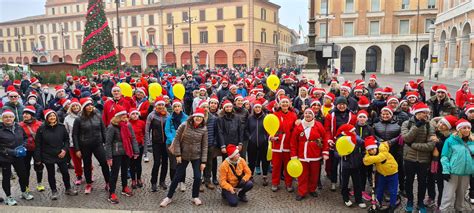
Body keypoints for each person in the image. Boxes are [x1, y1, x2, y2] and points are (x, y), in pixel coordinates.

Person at [160, 108, 208, 207]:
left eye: (201, 117)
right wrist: (178, 155)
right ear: (193, 117)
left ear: (203, 119)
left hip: (196, 156)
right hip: (183, 155)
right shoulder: (184, 125)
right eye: (197, 116)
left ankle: (195, 196)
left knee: (198, 177)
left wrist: (203, 161)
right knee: (177, 176)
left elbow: (205, 146)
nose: (198, 118)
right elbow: (176, 140)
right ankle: (168, 197)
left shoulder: (204, 129)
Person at [34, 109, 78, 200]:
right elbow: (38, 144)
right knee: (51, 174)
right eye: (50, 116)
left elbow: (66, 140)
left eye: (54, 116)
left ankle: (68, 188)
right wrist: (38, 158)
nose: (52, 117)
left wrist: (64, 150)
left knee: (65, 172)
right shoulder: (41, 129)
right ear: (47, 118)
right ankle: (54, 191)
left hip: (60, 153)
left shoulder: (61, 127)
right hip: (47, 155)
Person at [401, 102, 435, 212]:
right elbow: (406, 138)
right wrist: (418, 125)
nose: (426, 115)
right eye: (423, 112)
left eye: (427, 113)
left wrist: (413, 145)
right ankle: (410, 200)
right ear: (417, 113)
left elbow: (430, 145)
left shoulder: (430, 125)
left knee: (422, 182)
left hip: (424, 159)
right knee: (409, 181)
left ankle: (420, 202)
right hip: (409, 158)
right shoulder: (407, 123)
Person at [72, 98, 111, 194]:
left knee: (104, 163)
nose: (90, 107)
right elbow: (75, 135)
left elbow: (104, 130)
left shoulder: (98, 116)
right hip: (85, 145)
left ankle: (108, 182)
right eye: (87, 105)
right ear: (84, 107)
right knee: (87, 165)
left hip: (98, 144)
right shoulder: (78, 119)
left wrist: (106, 143)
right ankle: (89, 183)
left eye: (91, 105)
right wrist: (77, 149)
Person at [290, 108, 329, 200]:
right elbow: (293, 142)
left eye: (310, 113)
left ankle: (312, 189)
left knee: (314, 174)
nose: (308, 115)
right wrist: (294, 155)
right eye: (306, 113)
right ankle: (302, 191)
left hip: (315, 154)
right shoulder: (299, 126)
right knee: (302, 174)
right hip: (302, 154)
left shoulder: (318, 125)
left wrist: (325, 151)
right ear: (304, 114)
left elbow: (325, 138)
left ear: (313, 115)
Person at [105, 105, 139, 204]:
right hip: (116, 153)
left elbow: (132, 138)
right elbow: (108, 143)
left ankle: (125, 188)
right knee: (114, 173)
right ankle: (111, 193)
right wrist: (109, 157)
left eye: (126, 116)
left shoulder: (127, 125)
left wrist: (136, 150)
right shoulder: (112, 127)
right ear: (118, 117)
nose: (126, 118)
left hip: (126, 151)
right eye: (123, 117)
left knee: (125, 171)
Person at [439, 119, 474, 212]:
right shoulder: (450, 140)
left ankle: (459, 209)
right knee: (448, 195)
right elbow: (445, 156)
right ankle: (443, 210)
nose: (467, 130)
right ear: (459, 129)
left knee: (461, 195)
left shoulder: (472, 140)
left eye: (468, 128)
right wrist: (446, 170)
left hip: (466, 173)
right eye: (464, 128)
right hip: (452, 172)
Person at [0, 110, 32, 205]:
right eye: (6, 117)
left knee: (23, 175)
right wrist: (10, 152)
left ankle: (24, 192)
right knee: (6, 177)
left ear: (14, 118)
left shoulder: (19, 127)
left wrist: (24, 147)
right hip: (5, 157)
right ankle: (8, 197)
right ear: (2, 118)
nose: (8, 119)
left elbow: (25, 138)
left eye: (10, 117)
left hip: (19, 156)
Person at [363, 136, 398, 212]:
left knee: (392, 191)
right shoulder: (370, 152)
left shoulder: (383, 149)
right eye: (369, 150)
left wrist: (370, 158)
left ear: (375, 147)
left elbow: (379, 158)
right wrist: (369, 158)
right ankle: (378, 203)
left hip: (392, 173)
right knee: (379, 189)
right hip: (382, 174)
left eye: (372, 149)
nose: (371, 152)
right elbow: (365, 162)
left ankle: (392, 206)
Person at [270, 95, 297, 192]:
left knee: (287, 165)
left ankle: (288, 183)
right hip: (277, 143)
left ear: (289, 104)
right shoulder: (275, 114)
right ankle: (275, 182)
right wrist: (271, 135)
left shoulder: (293, 115)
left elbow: (295, 129)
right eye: (283, 102)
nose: (285, 104)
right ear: (280, 104)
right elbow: (271, 127)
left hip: (288, 143)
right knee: (276, 165)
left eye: (286, 102)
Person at [145, 96, 169, 192]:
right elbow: (147, 130)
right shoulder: (151, 115)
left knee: (165, 162)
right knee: (156, 162)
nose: (161, 106)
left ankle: (162, 181)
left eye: (162, 104)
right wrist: (148, 143)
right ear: (156, 105)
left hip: (166, 142)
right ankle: (153, 182)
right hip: (156, 142)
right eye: (159, 104)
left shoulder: (168, 115)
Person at [19, 106, 45, 192]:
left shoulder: (40, 124)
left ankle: (39, 184)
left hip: (37, 149)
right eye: (24, 114)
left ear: (32, 115)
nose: (25, 115)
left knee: (39, 166)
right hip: (25, 150)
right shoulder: (20, 125)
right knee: (26, 168)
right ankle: (26, 186)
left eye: (27, 114)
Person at [164, 99, 188, 191]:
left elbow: (187, 130)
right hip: (171, 143)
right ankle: (173, 181)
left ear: (181, 107)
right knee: (173, 163)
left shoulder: (186, 118)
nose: (177, 108)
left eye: (178, 106)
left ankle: (182, 182)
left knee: (182, 163)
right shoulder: (169, 118)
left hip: (183, 143)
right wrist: (173, 139)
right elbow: (167, 130)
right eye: (175, 107)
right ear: (173, 108)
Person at [246, 100, 269, 186]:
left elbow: (269, 129)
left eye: (259, 107)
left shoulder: (266, 117)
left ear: (261, 108)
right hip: (252, 142)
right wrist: (250, 137)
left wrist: (266, 137)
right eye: (256, 107)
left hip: (264, 142)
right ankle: (250, 175)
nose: (257, 109)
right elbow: (246, 129)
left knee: (265, 160)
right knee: (251, 160)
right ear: (253, 108)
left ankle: (265, 176)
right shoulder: (250, 118)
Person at [63, 98, 84, 185]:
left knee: (87, 159)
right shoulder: (67, 118)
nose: (75, 107)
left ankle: (89, 173)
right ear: (70, 108)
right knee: (76, 161)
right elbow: (66, 131)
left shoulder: (84, 116)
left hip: (84, 142)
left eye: (77, 105)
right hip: (72, 143)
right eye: (73, 106)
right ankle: (79, 176)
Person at [129, 108, 146, 189]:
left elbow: (143, 132)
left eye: (136, 114)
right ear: (130, 115)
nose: (135, 115)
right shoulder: (127, 124)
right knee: (132, 164)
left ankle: (138, 178)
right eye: (133, 114)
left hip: (139, 145)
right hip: (131, 146)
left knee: (138, 163)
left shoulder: (142, 123)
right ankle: (133, 180)